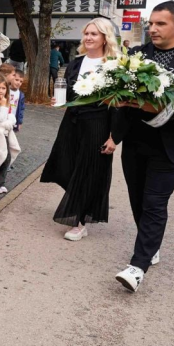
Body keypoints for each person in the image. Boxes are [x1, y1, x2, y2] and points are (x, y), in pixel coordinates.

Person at [113, 1, 174, 292]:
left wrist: (155, 107)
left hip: (170, 146)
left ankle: (137, 266)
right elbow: (119, 88)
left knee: (155, 203)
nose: (153, 29)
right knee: (137, 199)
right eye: (151, 23)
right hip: (135, 143)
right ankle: (151, 244)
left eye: (160, 24)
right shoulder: (136, 55)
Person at [41, 18, 121, 240]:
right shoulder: (76, 62)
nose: (88, 37)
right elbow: (68, 92)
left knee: (88, 171)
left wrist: (115, 137)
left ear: (105, 37)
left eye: (94, 34)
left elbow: (119, 106)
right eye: (87, 33)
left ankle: (79, 221)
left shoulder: (114, 65)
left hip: (98, 124)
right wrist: (58, 101)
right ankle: (81, 204)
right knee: (66, 165)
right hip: (72, 122)